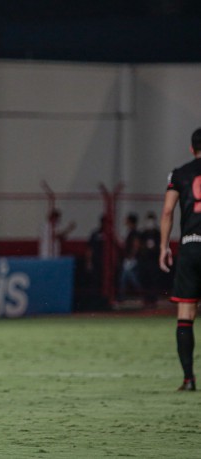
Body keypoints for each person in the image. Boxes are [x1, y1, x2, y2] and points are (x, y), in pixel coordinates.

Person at [160, 127, 201, 392]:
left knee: (185, 313)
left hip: (190, 247)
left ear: (191, 148)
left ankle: (188, 379)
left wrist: (164, 246)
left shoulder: (180, 174)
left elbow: (167, 211)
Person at [118, 212, 143, 301]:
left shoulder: (134, 232)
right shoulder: (130, 232)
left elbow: (136, 245)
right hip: (129, 258)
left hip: (131, 260)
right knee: (128, 278)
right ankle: (140, 295)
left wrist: (131, 256)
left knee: (128, 278)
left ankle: (141, 295)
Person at [139, 211, 161, 307]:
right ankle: (146, 299)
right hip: (145, 261)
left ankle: (154, 299)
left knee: (154, 281)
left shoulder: (157, 233)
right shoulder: (143, 233)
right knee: (145, 280)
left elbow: (161, 246)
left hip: (155, 260)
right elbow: (140, 246)